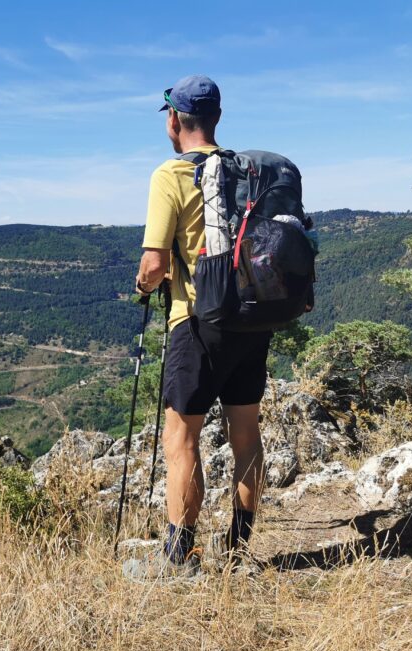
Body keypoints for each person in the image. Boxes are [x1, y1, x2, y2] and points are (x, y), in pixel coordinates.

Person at [127, 75, 271, 579]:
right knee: (246, 434)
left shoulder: (170, 174)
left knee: (180, 439)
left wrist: (146, 288)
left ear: (173, 120)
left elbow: (152, 264)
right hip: (253, 320)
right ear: (217, 118)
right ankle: (237, 547)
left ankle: (179, 558)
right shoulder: (247, 172)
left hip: (196, 321)